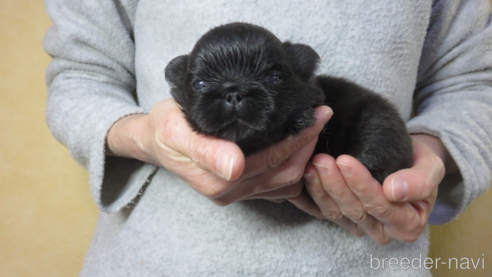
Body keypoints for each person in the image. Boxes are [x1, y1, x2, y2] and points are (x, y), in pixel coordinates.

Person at [43, 0, 492, 276]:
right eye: (201, 87)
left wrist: (428, 156)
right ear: (179, 84)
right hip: (156, 263)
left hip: (372, 257)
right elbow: (81, 72)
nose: (235, 98)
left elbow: (475, 81)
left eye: (272, 79)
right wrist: (144, 136)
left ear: (300, 74)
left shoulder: (333, 104)